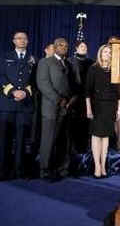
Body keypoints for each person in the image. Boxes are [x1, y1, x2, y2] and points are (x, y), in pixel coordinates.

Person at [37, 38, 76, 181]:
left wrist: (71, 100)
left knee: (63, 140)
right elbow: (43, 84)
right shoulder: (45, 62)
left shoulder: (68, 64)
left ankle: (61, 168)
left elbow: (72, 84)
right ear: (54, 47)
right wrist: (58, 99)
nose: (64, 47)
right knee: (48, 139)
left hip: (66, 107)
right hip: (51, 107)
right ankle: (45, 170)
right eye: (60, 45)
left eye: (66, 45)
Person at [0, 31, 37, 180]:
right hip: (7, 105)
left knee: (22, 140)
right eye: (19, 38)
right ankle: (3, 171)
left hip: (24, 106)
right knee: (4, 140)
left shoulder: (33, 59)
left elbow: (34, 81)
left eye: (25, 39)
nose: (22, 41)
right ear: (14, 41)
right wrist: (13, 92)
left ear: (27, 42)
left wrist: (25, 93)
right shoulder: (4, 57)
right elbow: (1, 77)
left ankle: (19, 171)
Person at [85, 44, 120, 179]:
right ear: (100, 54)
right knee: (96, 136)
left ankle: (103, 165)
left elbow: (119, 92)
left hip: (110, 105)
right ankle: (97, 166)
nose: (107, 54)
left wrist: (119, 107)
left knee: (105, 136)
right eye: (105, 52)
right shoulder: (93, 69)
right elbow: (87, 91)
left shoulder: (115, 69)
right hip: (97, 106)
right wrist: (88, 108)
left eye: (109, 52)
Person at [68, 41, 94, 153]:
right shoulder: (70, 61)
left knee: (86, 123)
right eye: (82, 46)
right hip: (74, 97)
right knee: (74, 123)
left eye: (85, 46)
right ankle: (73, 146)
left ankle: (84, 147)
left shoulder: (91, 62)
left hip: (88, 97)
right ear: (76, 48)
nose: (84, 48)